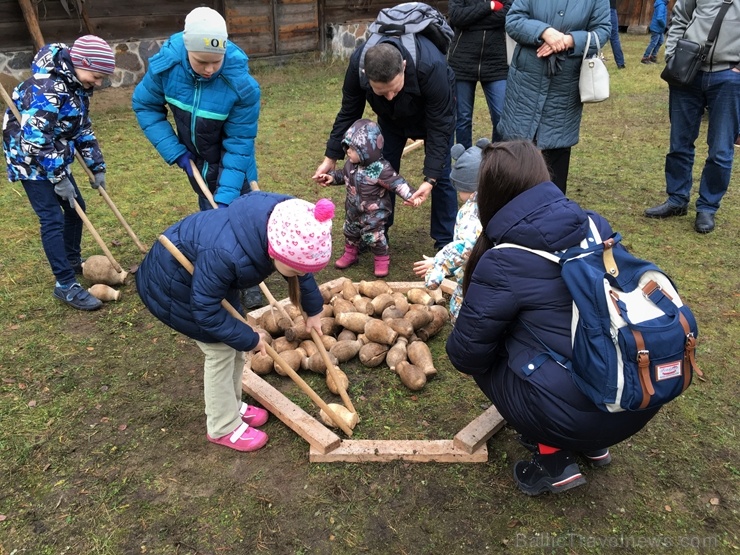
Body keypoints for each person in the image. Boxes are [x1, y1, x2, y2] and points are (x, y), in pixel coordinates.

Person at [446, 140, 659, 496]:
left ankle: (554, 459)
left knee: (488, 355)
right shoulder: (593, 223)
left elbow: (465, 355)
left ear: (491, 192)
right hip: (636, 395)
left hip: (578, 416)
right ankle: (593, 444)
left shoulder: (503, 260)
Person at [135, 192, 335, 452]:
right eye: (296, 270)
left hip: (208, 280)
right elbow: (205, 312)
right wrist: (250, 338)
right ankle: (222, 426)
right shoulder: (226, 254)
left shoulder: (286, 222)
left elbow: (300, 265)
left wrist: (313, 309)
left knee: (235, 344)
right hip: (173, 286)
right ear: (275, 252)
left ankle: (231, 404)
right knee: (220, 350)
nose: (300, 274)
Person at [132, 6, 264, 308]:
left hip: (235, 162)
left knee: (240, 217)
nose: (209, 69)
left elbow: (239, 141)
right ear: (187, 51)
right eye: (202, 62)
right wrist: (174, 151)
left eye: (215, 62)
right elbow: (145, 106)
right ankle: (224, 281)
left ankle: (251, 279)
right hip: (195, 161)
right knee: (211, 219)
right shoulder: (166, 67)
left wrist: (228, 194)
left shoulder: (240, 84)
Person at [2, 35, 116, 311]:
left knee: (76, 209)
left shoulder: (77, 87)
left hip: (54, 155)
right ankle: (64, 284)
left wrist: (96, 165)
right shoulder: (46, 90)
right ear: (80, 63)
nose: (98, 83)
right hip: (29, 160)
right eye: (96, 76)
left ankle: (72, 260)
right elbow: (34, 141)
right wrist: (59, 177)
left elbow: (82, 128)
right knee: (52, 217)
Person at [312, 38, 458, 251]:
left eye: (394, 89)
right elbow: (349, 112)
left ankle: (446, 241)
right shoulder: (357, 66)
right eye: (381, 91)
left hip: (433, 116)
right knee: (380, 171)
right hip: (391, 120)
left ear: (404, 67)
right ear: (366, 76)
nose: (389, 96)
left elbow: (440, 126)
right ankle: (376, 233)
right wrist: (331, 157)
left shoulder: (431, 67)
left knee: (442, 176)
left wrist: (431, 178)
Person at [644, 0, 740, 234]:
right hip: (687, 73)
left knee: (720, 150)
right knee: (679, 143)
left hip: (728, 77)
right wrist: (672, 55)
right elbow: (680, 18)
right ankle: (677, 199)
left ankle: (707, 207)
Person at [497, 0, 610, 193]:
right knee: (515, 155)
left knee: (556, 159)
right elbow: (513, 20)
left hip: (564, 87)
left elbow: (603, 31)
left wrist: (568, 41)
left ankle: (552, 214)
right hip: (526, 84)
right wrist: (544, 32)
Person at [315, 118, 420, 277]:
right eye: (347, 148)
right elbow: (344, 176)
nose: (348, 152)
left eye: (352, 149)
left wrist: (411, 196)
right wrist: (332, 178)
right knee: (349, 231)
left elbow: (397, 183)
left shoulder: (380, 169)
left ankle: (381, 258)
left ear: (367, 149)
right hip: (353, 209)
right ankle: (350, 253)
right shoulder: (351, 164)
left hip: (374, 212)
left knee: (374, 235)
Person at [413, 138, 489, 322]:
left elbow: (465, 246)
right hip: (493, 273)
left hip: (473, 277)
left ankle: (463, 336)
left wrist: (438, 264)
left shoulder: (471, 214)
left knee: (464, 308)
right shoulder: (495, 200)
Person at [447, 0, 512, 147]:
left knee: (501, 117)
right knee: (463, 118)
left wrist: (472, 21)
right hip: (462, 61)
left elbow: (508, 14)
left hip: (496, 62)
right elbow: (457, 17)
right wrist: (490, 6)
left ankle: (496, 161)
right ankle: (464, 162)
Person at [608, 0, 626, 69]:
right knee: (614, 38)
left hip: (599, 8)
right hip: (611, 9)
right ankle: (620, 63)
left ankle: (590, 59)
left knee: (595, 34)